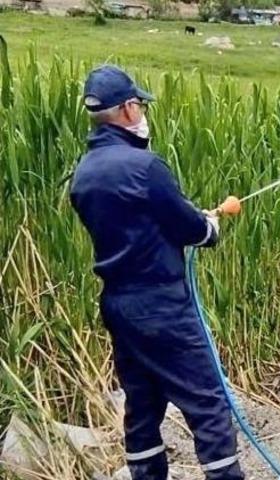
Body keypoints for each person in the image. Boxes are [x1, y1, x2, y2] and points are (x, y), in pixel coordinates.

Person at [69, 65, 244, 480]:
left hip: (118, 304)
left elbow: (142, 221)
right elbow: (191, 229)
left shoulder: (83, 174)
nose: (143, 111)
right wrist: (209, 226)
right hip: (161, 305)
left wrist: (182, 221)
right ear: (128, 109)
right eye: (141, 104)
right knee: (208, 403)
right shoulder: (145, 167)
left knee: (142, 404)